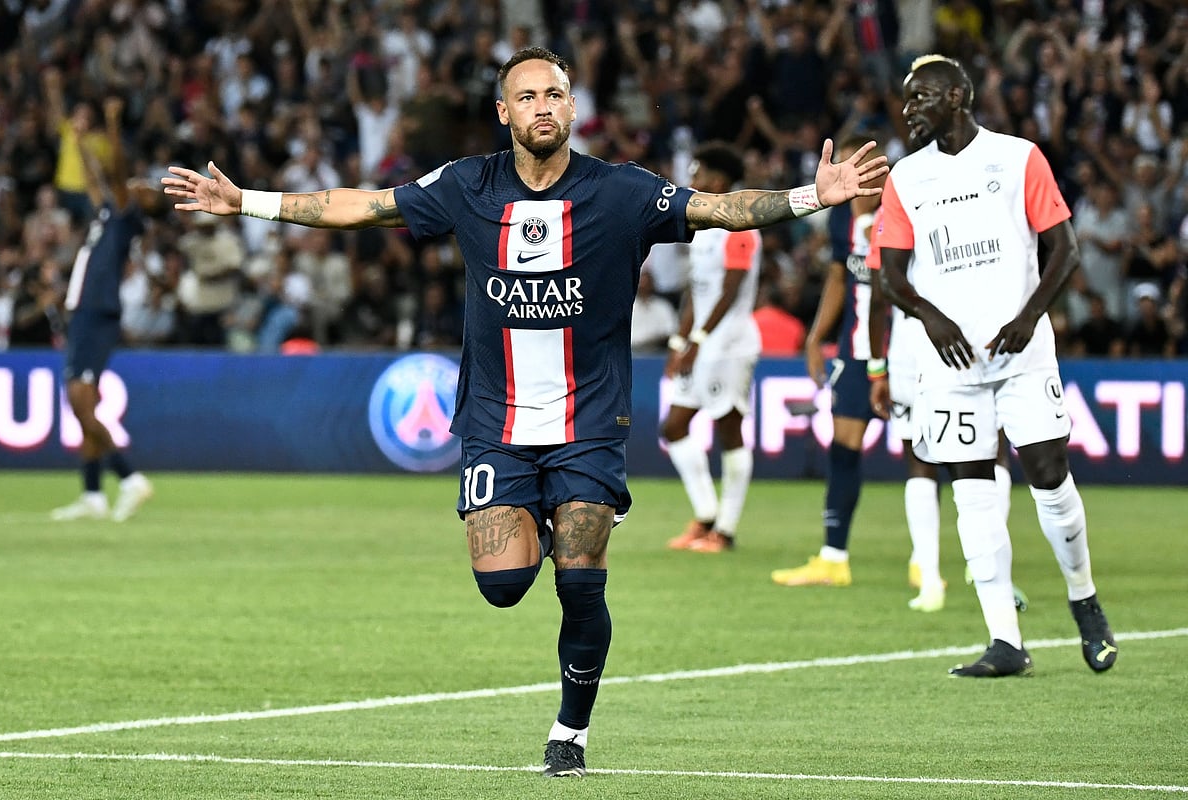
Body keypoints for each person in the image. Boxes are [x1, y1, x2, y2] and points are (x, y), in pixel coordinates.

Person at [164, 46, 887, 775]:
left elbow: (719, 208)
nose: (543, 106)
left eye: (555, 94)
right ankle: (542, 515)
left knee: (579, 575)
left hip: (588, 420)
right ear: (504, 112)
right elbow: (364, 206)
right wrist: (246, 200)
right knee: (504, 585)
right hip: (496, 422)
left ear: (572, 107)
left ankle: (571, 730)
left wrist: (812, 196)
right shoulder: (467, 185)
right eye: (528, 96)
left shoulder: (621, 190)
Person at [870, 54, 1117, 677]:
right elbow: (889, 275)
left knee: (1048, 474)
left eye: (921, 98)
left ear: (957, 96)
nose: (908, 110)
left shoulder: (1017, 158)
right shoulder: (905, 178)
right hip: (949, 364)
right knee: (973, 491)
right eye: (906, 100)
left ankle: (1084, 598)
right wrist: (928, 315)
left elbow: (1064, 248)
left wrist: (1031, 315)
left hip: (1021, 353)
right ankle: (1005, 640)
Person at [867, 206, 1021, 613]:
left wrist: (877, 367)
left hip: (911, 342)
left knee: (919, 460)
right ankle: (988, 558)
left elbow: (879, 294)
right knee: (992, 450)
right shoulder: (977, 202)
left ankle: (930, 579)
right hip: (973, 333)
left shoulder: (894, 207)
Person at [770, 136, 884, 587]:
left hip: (907, 347)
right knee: (843, 446)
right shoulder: (841, 212)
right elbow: (840, 275)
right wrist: (817, 336)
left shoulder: (907, 207)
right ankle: (834, 557)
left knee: (928, 452)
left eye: (863, 166)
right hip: (856, 349)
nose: (853, 174)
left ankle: (929, 564)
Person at [51, 96, 160, 522]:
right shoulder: (107, 214)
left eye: (145, 188)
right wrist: (79, 142)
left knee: (79, 402)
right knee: (84, 405)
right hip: (87, 311)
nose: (138, 184)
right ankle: (93, 495)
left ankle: (129, 478)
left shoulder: (127, 216)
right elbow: (94, 178)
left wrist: (113, 122)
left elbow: (113, 170)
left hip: (96, 311)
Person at [662, 142, 762, 554]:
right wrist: (679, 342)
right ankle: (706, 516)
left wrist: (698, 342)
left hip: (729, 345)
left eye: (698, 173)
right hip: (701, 345)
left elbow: (730, 289)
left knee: (729, 432)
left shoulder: (741, 225)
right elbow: (696, 291)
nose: (692, 180)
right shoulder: (702, 226)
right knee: (673, 427)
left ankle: (725, 529)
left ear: (718, 181)